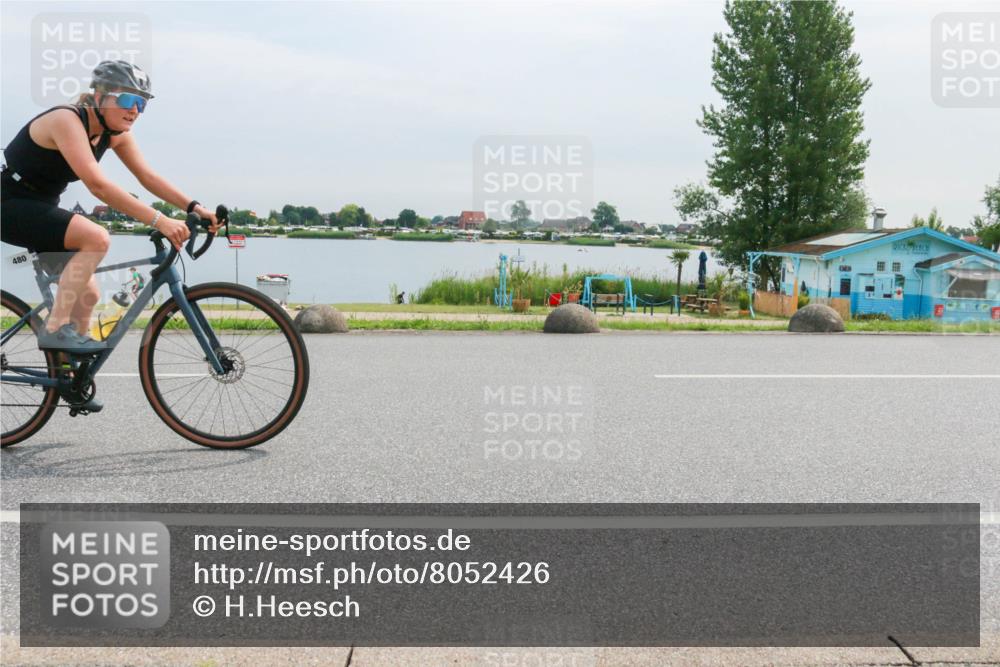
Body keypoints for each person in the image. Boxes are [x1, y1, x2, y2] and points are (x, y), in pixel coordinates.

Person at [1, 60, 221, 353]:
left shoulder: (115, 134)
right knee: (96, 237)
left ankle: (70, 380)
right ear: (99, 96)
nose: (134, 110)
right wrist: (160, 221)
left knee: (88, 294)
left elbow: (148, 177)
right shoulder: (65, 120)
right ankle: (54, 330)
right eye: (128, 100)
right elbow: (98, 185)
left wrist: (194, 206)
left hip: (42, 208)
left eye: (142, 104)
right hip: (10, 204)